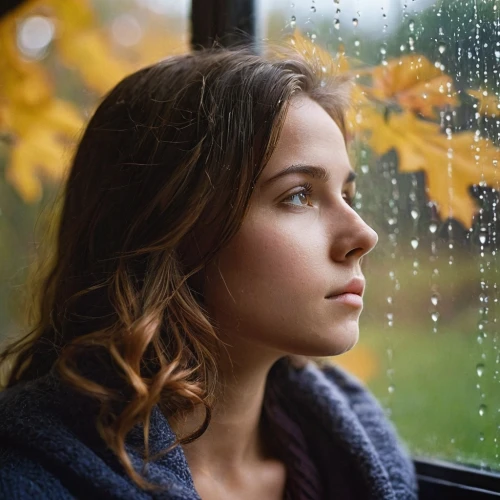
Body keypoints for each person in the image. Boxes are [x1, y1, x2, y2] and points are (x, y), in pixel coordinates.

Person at [0, 46, 418, 499]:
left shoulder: (366, 461)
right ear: (171, 227)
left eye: (348, 196)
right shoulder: (26, 480)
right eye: (299, 195)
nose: (363, 235)